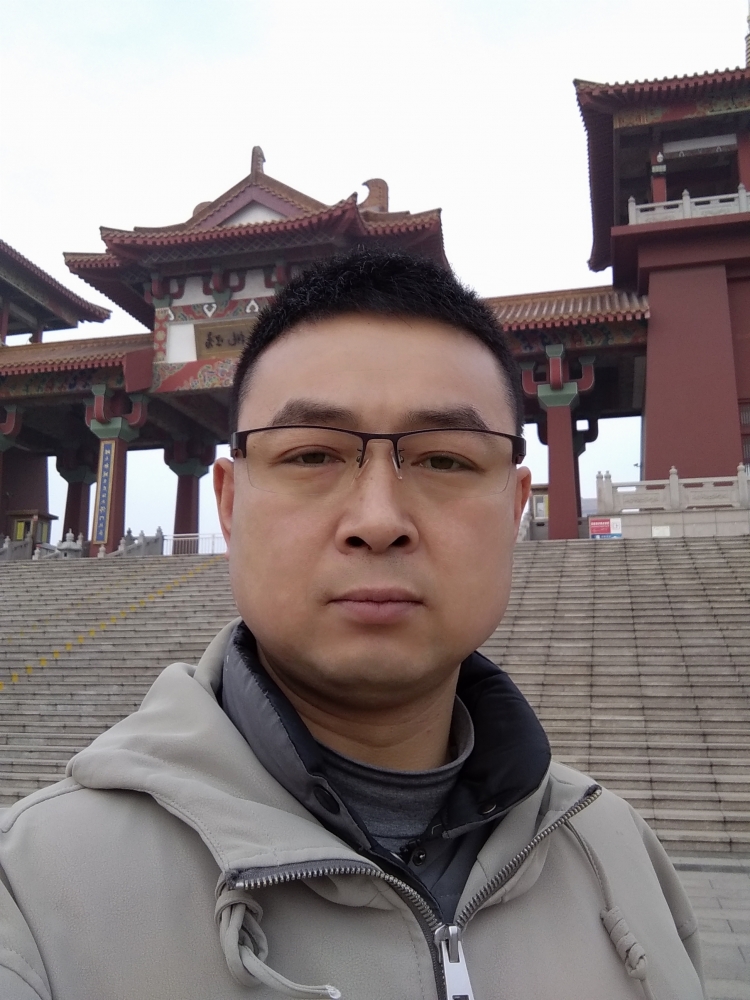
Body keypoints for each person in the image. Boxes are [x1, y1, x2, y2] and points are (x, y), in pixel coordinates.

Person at [0, 248, 705, 1000]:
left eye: (445, 460)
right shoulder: (33, 896)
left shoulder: (619, 855)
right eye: (311, 454)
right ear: (230, 504)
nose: (377, 520)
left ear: (514, 507)